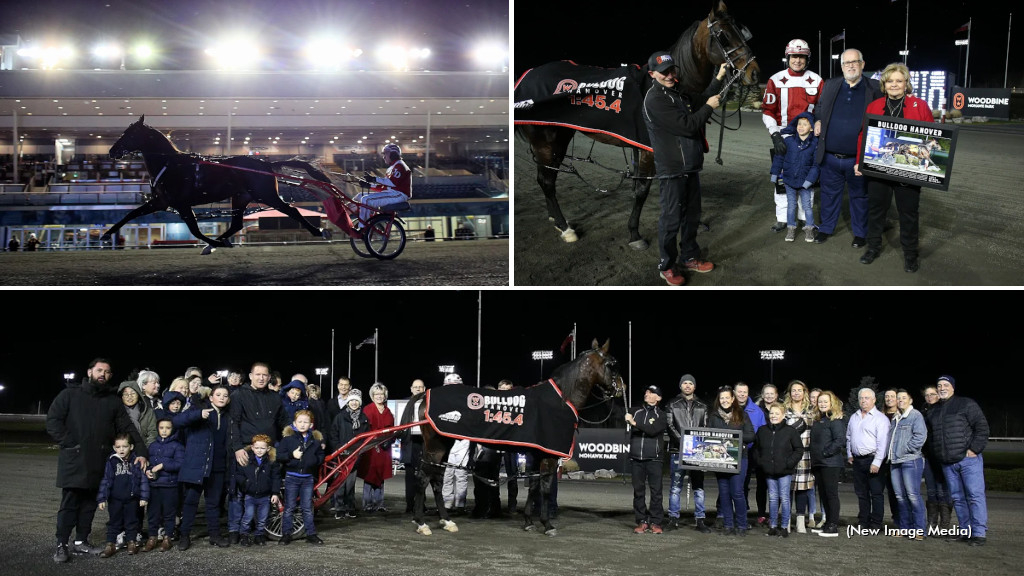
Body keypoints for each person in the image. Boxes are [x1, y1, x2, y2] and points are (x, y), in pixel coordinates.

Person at [46, 357, 149, 563]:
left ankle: (81, 542)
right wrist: (70, 443)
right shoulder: (70, 394)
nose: (103, 374)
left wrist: (142, 451)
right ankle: (62, 544)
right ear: (90, 371)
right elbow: (53, 420)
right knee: (70, 504)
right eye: (99, 370)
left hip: (99, 461)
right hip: (74, 461)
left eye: (108, 372)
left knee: (90, 505)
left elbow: (126, 428)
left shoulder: (112, 401)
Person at [642, 50, 727, 286]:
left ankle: (689, 256)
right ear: (652, 74)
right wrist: (709, 107)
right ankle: (667, 266)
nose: (669, 75)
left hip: (689, 167)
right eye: (663, 73)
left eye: (671, 70)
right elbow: (688, 126)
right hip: (671, 169)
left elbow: (703, 99)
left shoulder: (678, 92)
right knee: (671, 220)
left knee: (692, 216)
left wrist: (719, 77)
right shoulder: (655, 99)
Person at [854, 62, 935, 273]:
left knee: (908, 213)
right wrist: (859, 161)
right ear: (884, 83)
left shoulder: (921, 106)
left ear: (906, 83)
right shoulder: (874, 106)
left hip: (908, 171)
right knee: (876, 211)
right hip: (879, 168)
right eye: (890, 81)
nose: (894, 85)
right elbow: (864, 134)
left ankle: (910, 254)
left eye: (899, 81)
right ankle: (873, 247)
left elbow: (932, 137)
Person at [812, 48, 884, 246]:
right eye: (847, 63)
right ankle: (826, 228)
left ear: (862, 64)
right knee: (828, 196)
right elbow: (819, 108)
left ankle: (860, 234)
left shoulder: (876, 88)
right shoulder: (830, 85)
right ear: (842, 66)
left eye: (855, 62)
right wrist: (818, 120)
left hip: (858, 160)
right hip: (830, 157)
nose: (851, 65)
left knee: (860, 198)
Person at [762, 38, 823, 233]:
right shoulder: (775, 79)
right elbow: (768, 110)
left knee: (807, 178)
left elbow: (821, 111)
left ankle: (806, 219)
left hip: (808, 139)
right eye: (794, 56)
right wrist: (775, 135)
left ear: (807, 58)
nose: (797, 60)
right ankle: (782, 218)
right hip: (785, 138)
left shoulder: (817, 80)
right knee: (782, 178)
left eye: (802, 57)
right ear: (788, 57)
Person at [228, 362, 289, 544]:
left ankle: (258, 530)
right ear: (251, 375)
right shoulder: (238, 395)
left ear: (269, 377)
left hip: (268, 450)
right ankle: (235, 529)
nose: (261, 378)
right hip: (246, 448)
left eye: (265, 375)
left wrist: (291, 440)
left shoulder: (275, 397)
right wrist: (238, 448)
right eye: (258, 374)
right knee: (239, 491)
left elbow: (283, 422)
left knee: (263, 490)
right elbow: (234, 423)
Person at [926, 375, 990, 546]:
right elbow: (932, 438)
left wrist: (974, 449)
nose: (942, 388)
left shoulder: (966, 404)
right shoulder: (933, 411)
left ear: (953, 387)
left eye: (945, 385)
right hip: (947, 463)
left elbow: (982, 428)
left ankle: (979, 533)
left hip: (968, 460)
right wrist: (939, 455)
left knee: (975, 496)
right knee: (958, 498)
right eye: (939, 385)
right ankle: (966, 531)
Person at [174, 384, 232, 550]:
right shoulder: (199, 409)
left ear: (228, 400)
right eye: (218, 394)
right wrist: (198, 414)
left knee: (213, 503)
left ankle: (214, 535)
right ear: (211, 397)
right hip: (197, 465)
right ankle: (184, 536)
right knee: (191, 502)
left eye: (225, 395)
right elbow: (177, 421)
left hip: (218, 467)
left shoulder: (229, 416)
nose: (221, 397)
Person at [664, 373, 711, 533]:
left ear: (694, 387)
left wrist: (695, 445)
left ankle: (700, 520)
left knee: (699, 488)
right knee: (676, 487)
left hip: (697, 453)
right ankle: (673, 519)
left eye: (691, 383)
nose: (688, 385)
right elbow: (670, 426)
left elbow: (705, 429)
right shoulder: (672, 404)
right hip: (678, 451)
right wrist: (685, 442)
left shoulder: (702, 406)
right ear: (680, 386)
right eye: (685, 383)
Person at [707, 386, 755, 536]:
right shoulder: (714, 416)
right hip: (720, 461)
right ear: (718, 400)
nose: (725, 400)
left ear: (733, 399)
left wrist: (732, 436)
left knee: (737, 493)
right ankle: (728, 524)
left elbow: (751, 436)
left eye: (727, 397)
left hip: (739, 459)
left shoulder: (742, 415)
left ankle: (741, 524)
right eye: (722, 398)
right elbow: (709, 437)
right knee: (725, 493)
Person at [276, 409, 325, 545]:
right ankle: (286, 534)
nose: (303, 424)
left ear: (311, 425)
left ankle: (311, 534)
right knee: (290, 507)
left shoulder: (315, 441)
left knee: (307, 507)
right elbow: (279, 456)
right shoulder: (287, 440)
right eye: (300, 422)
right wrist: (292, 456)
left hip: (307, 478)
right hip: (292, 477)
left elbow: (321, 455)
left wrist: (314, 461)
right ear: (294, 423)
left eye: (306, 422)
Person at [97, 433, 150, 558]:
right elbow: (106, 480)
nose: (121, 449)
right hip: (115, 499)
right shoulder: (111, 461)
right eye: (118, 446)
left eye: (124, 446)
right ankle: (110, 544)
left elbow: (142, 480)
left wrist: (144, 497)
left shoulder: (136, 461)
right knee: (114, 522)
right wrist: (102, 498)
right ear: (114, 448)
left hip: (132, 499)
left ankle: (131, 542)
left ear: (131, 447)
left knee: (132, 521)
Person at [769, 112, 819, 242]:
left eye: (805, 124)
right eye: (799, 124)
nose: (801, 127)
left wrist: (809, 181)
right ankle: (791, 228)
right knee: (791, 205)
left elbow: (816, 165)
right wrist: (775, 173)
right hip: (789, 181)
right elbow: (779, 157)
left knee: (807, 206)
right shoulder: (789, 141)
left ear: (812, 128)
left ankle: (809, 228)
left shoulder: (815, 144)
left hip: (805, 182)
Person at [755, 404, 804, 537]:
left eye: (777, 413)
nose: (774, 416)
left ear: (783, 415)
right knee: (772, 498)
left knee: (785, 498)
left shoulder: (790, 431)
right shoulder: (762, 430)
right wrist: (761, 463)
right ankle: (773, 526)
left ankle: (784, 527)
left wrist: (789, 463)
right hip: (769, 471)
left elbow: (799, 449)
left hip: (784, 471)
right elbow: (756, 449)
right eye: (772, 413)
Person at [625, 385, 668, 534]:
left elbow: (653, 430)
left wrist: (635, 424)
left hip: (654, 459)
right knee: (638, 491)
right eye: (647, 392)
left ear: (658, 398)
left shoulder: (662, 415)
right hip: (636, 458)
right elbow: (630, 423)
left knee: (656, 492)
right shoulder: (635, 411)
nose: (647, 394)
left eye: (651, 393)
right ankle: (641, 521)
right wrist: (628, 419)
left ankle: (655, 522)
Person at [846, 387, 891, 529]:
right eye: (861, 398)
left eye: (866, 398)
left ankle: (876, 523)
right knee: (861, 493)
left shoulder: (880, 419)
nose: (863, 401)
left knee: (876, 493)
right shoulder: (854, 417)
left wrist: (877, 462)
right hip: (858, 461)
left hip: (873, 460)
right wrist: (849, 454)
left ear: (874, 400)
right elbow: (848, 437)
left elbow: (883, 442)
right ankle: (863, 521)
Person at [887, 389, 928, 540]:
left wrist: (906, 449)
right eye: (898, 398)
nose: (900, 400)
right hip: (895, 461)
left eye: (904, 398)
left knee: (912, 496)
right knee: (900, 497)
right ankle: (904, 527)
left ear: (910, 400)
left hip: (910, 460)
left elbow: (920, 436)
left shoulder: (915, 415)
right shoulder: (896, 418)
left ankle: (919, 529)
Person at [809, 390, 846, 537]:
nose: (822, 404)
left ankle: (833, 525)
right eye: (820, 401)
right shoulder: (818, 420)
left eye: (825, 401)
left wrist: (825, 453)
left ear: (832, 403)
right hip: (818, 463)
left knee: (831, 494)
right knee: (823, 495)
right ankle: (827, 523)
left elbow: (839, 441)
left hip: (830, 463)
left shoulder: (835, 420)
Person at [144, 417, 184, 552]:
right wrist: (148, 471)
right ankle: (152, 537)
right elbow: (148, 463)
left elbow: (179, 464)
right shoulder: (153, 445)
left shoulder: (177, 446)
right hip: (154, 485)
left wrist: (162, 465)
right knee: (153, 513)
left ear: (172, 430)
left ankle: (168, 537)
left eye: (168, 428)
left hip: (170, 485)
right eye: (161, 428)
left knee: (169, 513)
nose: (164, 431)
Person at [234, 434, 280, 547]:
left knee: (262, 518)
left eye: (263, 448)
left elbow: (276, 478)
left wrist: (275, 493)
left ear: (268, 449)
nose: (260, 450)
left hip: (265, 496)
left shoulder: (271, 462)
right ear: (252, 447)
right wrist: (246, 484)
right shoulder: (247, 459)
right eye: (257, 448)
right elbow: (239, 474)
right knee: (247, 517)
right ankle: (244, 535)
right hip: (250, 495)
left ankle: (259, 535)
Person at [352, 143, 413, 227]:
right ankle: (351, 215)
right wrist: (369, 185)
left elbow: (392, 182)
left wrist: (374, 179)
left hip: (399, 195)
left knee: (366, 199)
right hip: (392, 193)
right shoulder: (391, 168)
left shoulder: (400, 165)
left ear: (393, 154)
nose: (384, 157)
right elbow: (385, 186)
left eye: (385, 154)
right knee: (359, 196)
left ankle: (362, 226)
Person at [782, 380, 814, 534]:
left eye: (799, 390)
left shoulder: (811, 410)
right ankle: (786, 520)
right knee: (787, 488)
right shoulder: (783, 409)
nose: (796, 393)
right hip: (788, 454)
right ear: (789, 393)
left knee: (802, 489)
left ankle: (800, 521)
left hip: (805, 455)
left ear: (804, 392)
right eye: (793, 390)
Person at [330, 391, 369, 519]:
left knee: (350, 483)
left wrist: (360, 450)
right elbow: (333, 434)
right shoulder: (340, 417)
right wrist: (338, 448)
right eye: (352, 400)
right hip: (341, 455)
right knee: (340, 483)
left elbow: (366, 437)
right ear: (348, 402)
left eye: (357, 401)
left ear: (360, 403)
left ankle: (350, 507)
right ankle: (339, 507)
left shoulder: (363, 418)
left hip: (355, 455)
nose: (354, 403)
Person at [358, 382, 395, 512]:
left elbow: (392, 429)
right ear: (372, 395)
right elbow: (364, 430)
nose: (379, 396)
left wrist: (390, 440)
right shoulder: (368, 409)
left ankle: (379, 503)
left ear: (385, 396)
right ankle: (367, 503)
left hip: (385, 448)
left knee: (381, 475)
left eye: (381, 394)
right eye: (376, 394)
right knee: (369, 475)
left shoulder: (388, 411)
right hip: (371, 448)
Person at [920, 384, 953, 531]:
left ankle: (944, 524)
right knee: (931, 490)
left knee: (942, 490)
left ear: (939, 395)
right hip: (928, 457)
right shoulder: (923, 412)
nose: (929, 397)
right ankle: (932, 523)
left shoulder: (944, 411)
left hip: (941, 457)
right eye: (927, 395)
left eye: (932, 394)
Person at [733, 382, 766, 523]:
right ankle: (723, 513)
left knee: (744, 485)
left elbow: (762, 433)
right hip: (730, 452)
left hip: (750, 452)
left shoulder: (757, 411)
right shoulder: (728, 407)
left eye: (744, 392)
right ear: (734, 392)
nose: (742, 394)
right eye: (739, 391)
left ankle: (742, 514)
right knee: (728, 484)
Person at [440, 373, 471, 515]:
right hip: (446, 443)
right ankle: (447, 503)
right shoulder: (441, 402)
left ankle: (460, 504)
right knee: (446, 475)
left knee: (461, 475)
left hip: (462, 442)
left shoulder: (467, 402)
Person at [400, 378, 427, 514]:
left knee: (423, 477)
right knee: (410, 477)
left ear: (424, 389)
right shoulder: (403, 403)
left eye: (420, 387)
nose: (417, 389)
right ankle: (410, 504)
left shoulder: (429, 403)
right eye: (415, 387)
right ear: (411, 389)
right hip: (409, 444)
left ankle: (422, 504)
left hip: (423, 445)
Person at [497, 379, 522, 514]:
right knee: (492, 477)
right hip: (494, 445)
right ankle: (494, 504)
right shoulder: (492, 405)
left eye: (508, 390)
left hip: (510, 447)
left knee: (512, 477)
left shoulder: (517, 406)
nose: (505, 393)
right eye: (503, 390)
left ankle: (512, 505)